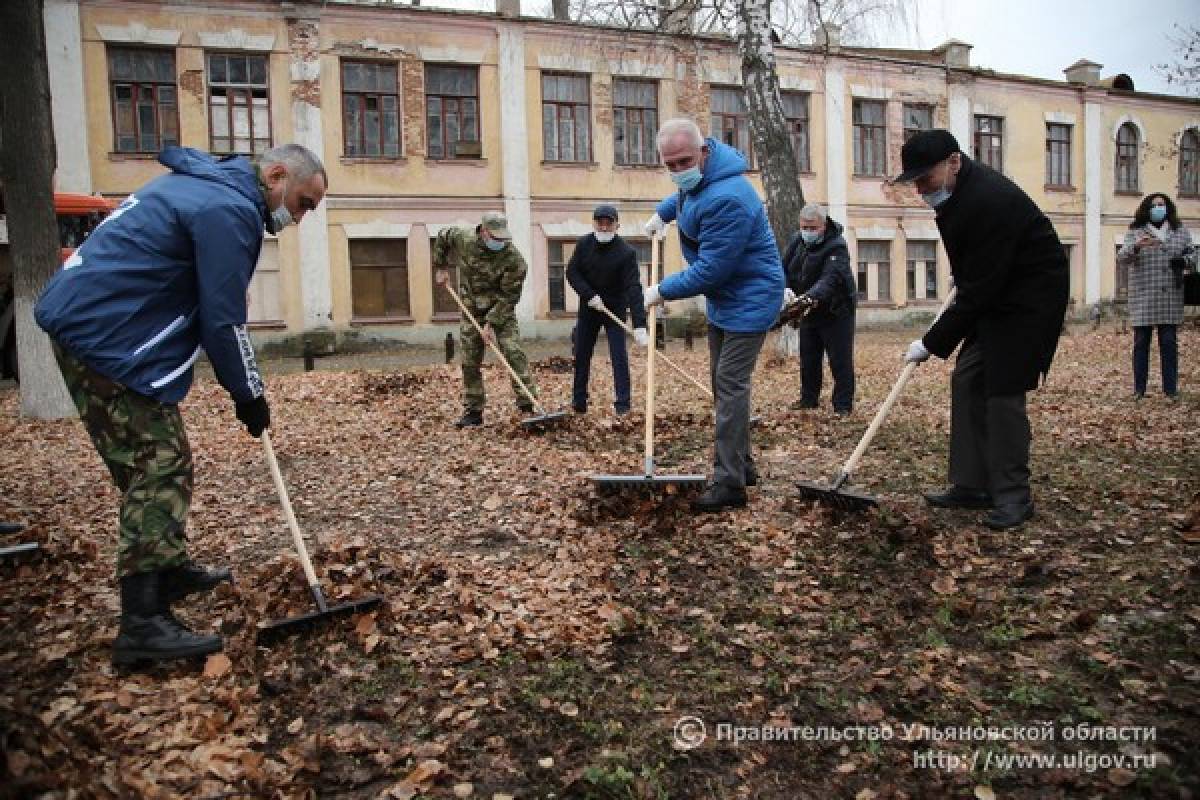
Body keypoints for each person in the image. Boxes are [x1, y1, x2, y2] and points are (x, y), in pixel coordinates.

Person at [35, 143, 327, 664]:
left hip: (97, 328)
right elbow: (223, 320)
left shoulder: (205, 189)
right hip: (104, 338)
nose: (299, 218)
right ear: (277, 174)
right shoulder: (228, 209)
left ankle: (164, 569)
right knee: (158, 466)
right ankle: (142, 624)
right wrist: (250, 393)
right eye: (303, 202)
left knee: (162, 459)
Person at [892, 129, 1068, 531]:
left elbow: (981, 290)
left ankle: (1013, 496)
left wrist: (931, 342)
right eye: (915, 181)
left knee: (1003, 391)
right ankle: (972, 484)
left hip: (1029, 299)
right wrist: (965, 274)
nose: (921, 189)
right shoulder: (957, 194)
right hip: (996, 288)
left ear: (953, 162)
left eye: (925, 179)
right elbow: (975, 271)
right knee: (968, 377)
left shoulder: (988, 199)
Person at [642, 118, 785, 513]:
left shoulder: (730, 197)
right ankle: (743, 465)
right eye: (669, 165)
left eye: (684, 161)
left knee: (730, 386)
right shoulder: (707, 178)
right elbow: (688, 197)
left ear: (703, 152)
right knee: (723, 387)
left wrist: (661, 290)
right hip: (727, 298)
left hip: (751, 297)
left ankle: (729, 484)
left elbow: (712, 269)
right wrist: (663, 214)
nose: (678, 171)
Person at [433, 212, 538, 427]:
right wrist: (441, 267)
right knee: (470, 361)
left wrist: (490, 324)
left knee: (513, 352)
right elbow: (443, 237)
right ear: (484, 231)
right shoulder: (464, 239)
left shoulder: (514, 261)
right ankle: (474, 411)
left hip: (501, 311)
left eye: (503, 238)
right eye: (496, 237)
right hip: (471, 310)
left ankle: (528, 405)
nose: (501, 242)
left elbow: (509, 297)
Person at [566, 204, 648, 415]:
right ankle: (579, 401)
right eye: (599, 222)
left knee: (618, 355)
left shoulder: (626, 252)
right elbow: (572, 272)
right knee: (581, 354)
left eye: (608, 222)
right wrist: (589, 295)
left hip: (614, 309)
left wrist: (640, 325)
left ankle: (623, 403)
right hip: (589, 308)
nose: (603, 227)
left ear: (616, 225)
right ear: (594, 223)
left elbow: (633, 288)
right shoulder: (584, 244)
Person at [781, 203, 857, 415]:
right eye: (804, 227)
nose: (807, 232)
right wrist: (785, 288)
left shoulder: (837, 246)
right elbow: (783, 267)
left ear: (823, 225)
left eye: (812, 227)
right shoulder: (797, 241)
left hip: (836, 311)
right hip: (808, 311)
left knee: (840, 360)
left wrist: (809, 297)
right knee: (809, 358)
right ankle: (808, 400)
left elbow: (830, 279)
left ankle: (843, 406)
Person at [1117, 192, 1194, 399]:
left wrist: (1184, 261)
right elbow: (1122, 257)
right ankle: (1139, 389)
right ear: (1146, 209)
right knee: (1141, 342)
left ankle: (1170, 389)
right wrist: (1136, 246)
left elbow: (1192, 254)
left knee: (1169, 342)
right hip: (1144, 294)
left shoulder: (1180, 231)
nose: (1159, 208)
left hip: (1170, 294)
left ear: (1168, 207)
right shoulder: (1136, 231)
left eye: (1162, 204)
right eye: (1154, 205)